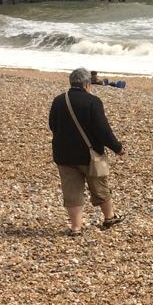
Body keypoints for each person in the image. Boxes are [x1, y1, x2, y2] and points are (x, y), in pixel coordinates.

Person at [48, 67, 124, 236]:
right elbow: (103, 130)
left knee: (72, 191)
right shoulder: (93, 102)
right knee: (99, 186)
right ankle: (109, 217)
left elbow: (52, 125)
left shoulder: (59, 100)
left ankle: (76, 228)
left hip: (64, 155)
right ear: (87, 83)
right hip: (90, 156)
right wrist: (117, 148)